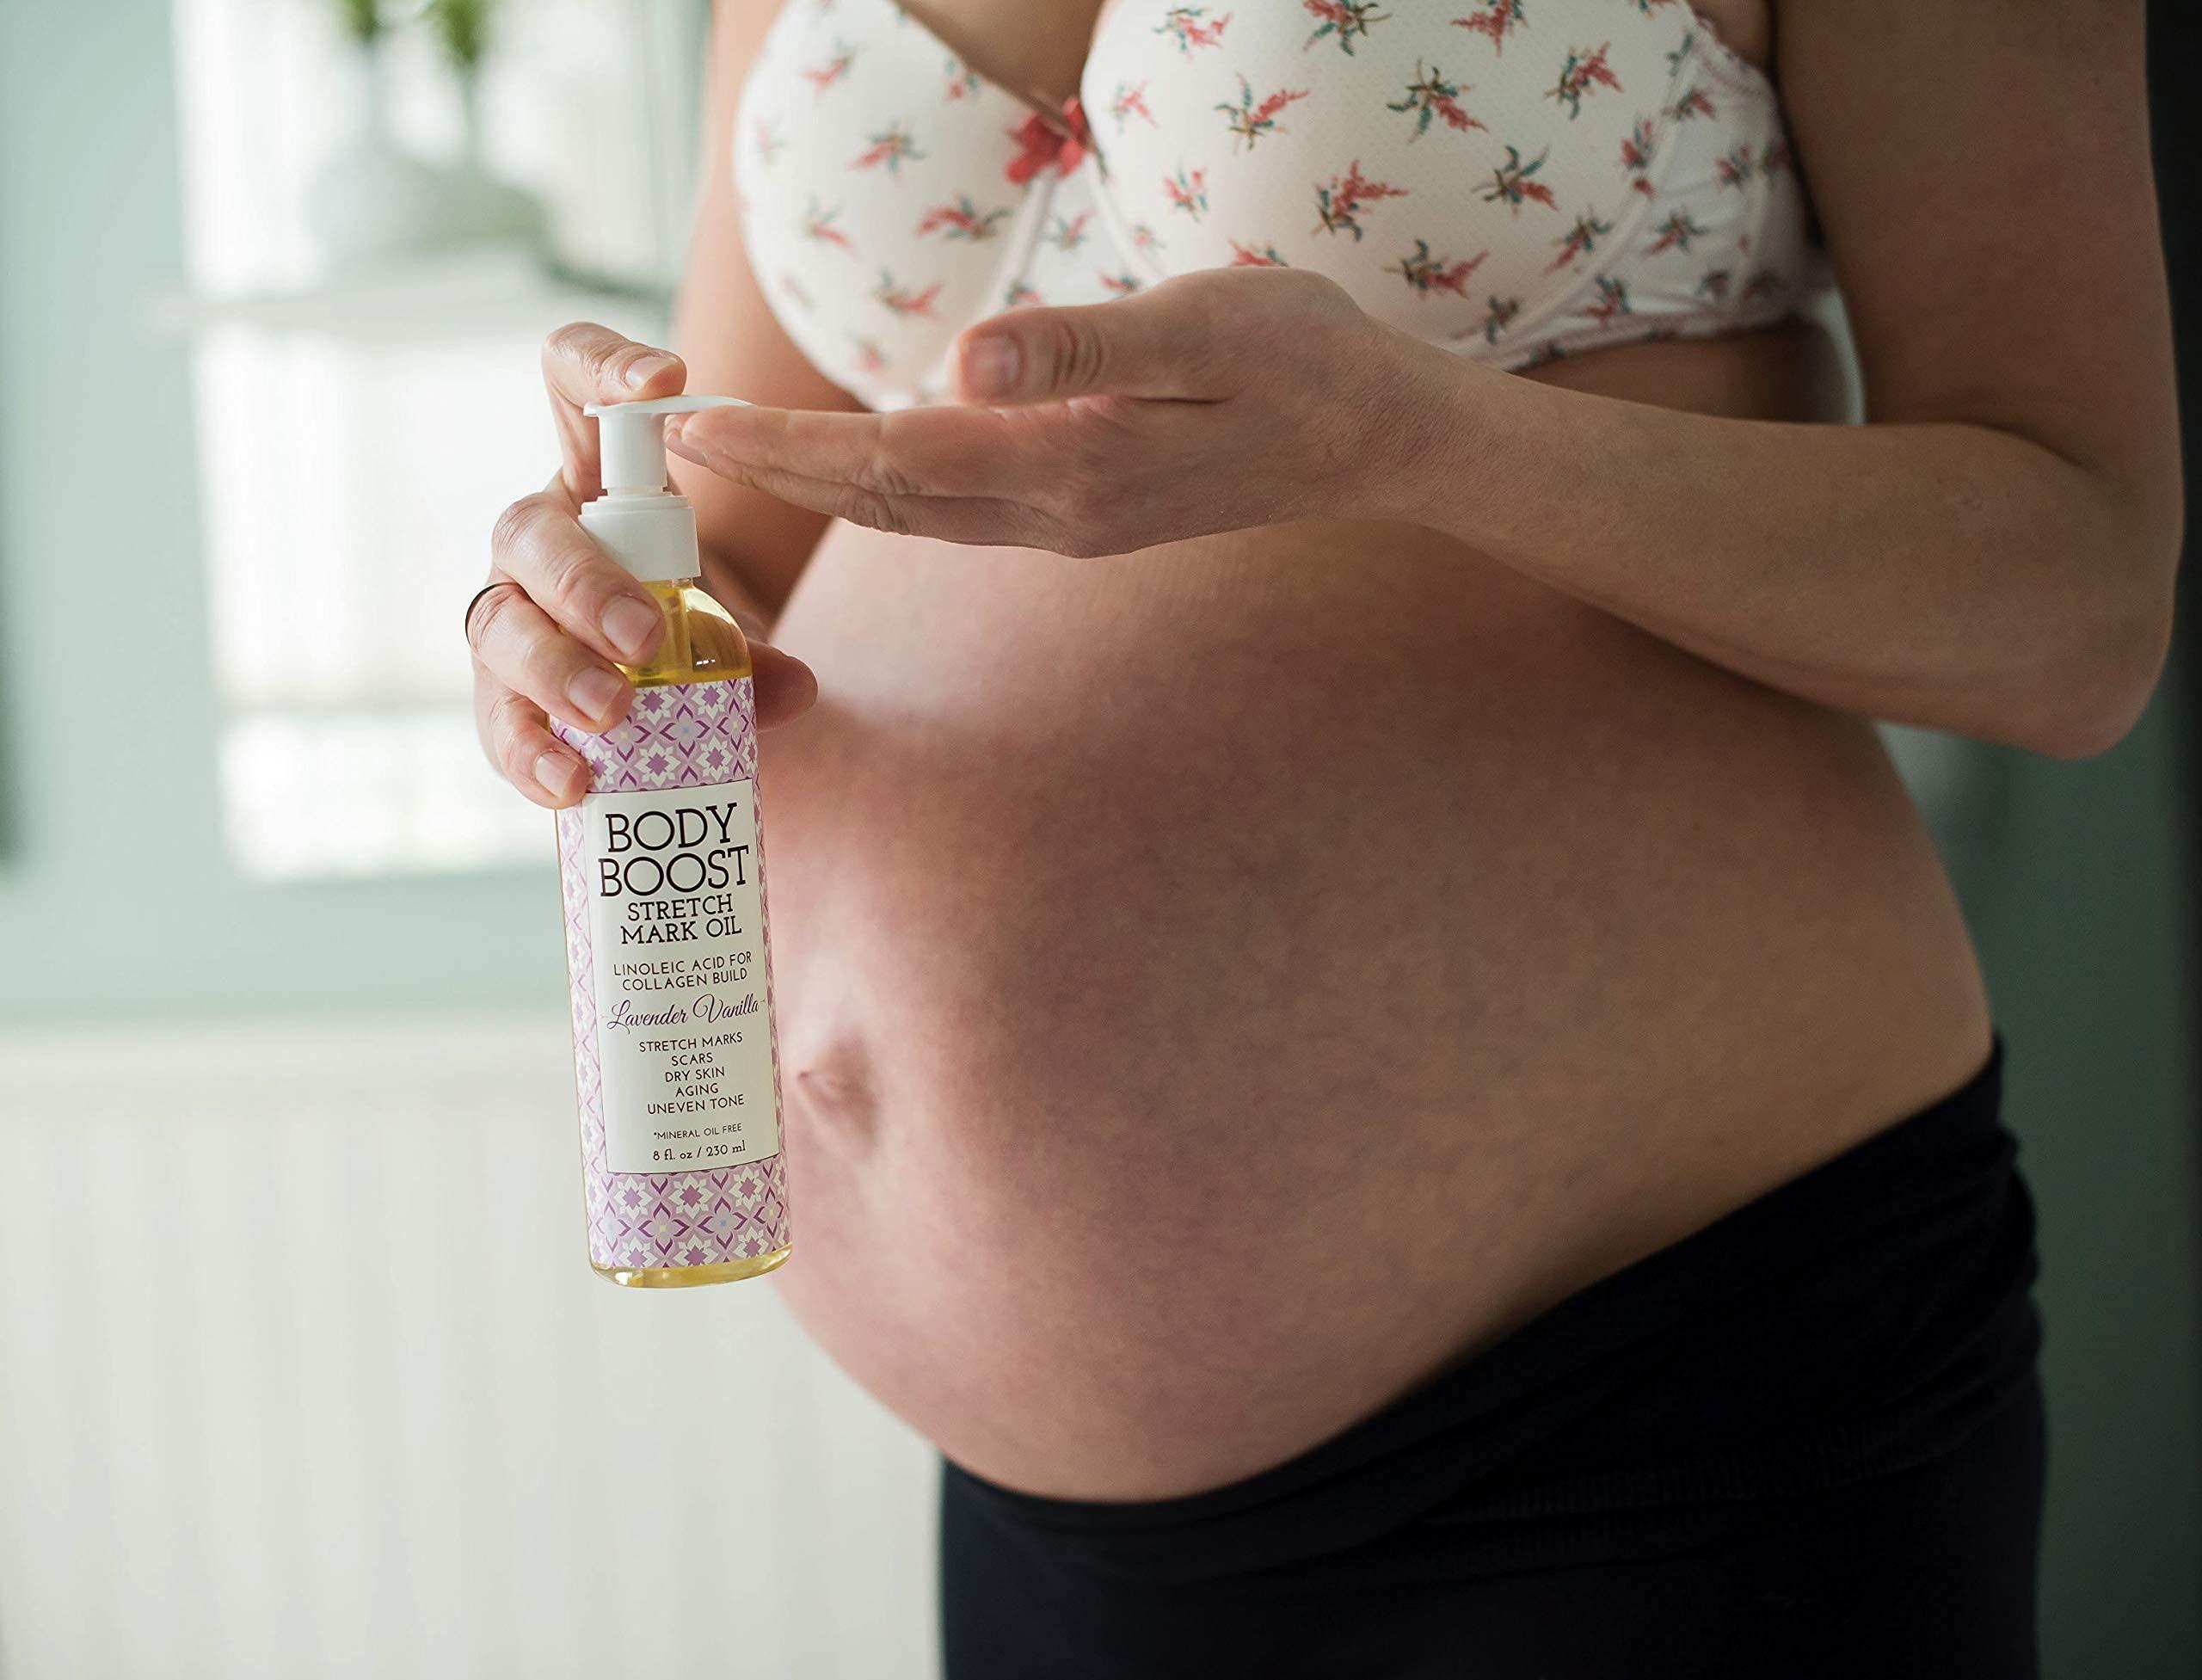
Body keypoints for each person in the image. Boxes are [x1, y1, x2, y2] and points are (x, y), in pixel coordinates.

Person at [465, 1, 2180, 1672]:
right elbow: (746, 542)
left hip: (1651, 1405)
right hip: (1047, 1515)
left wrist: (1408, 438)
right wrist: (577, 615)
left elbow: (2076, 604)